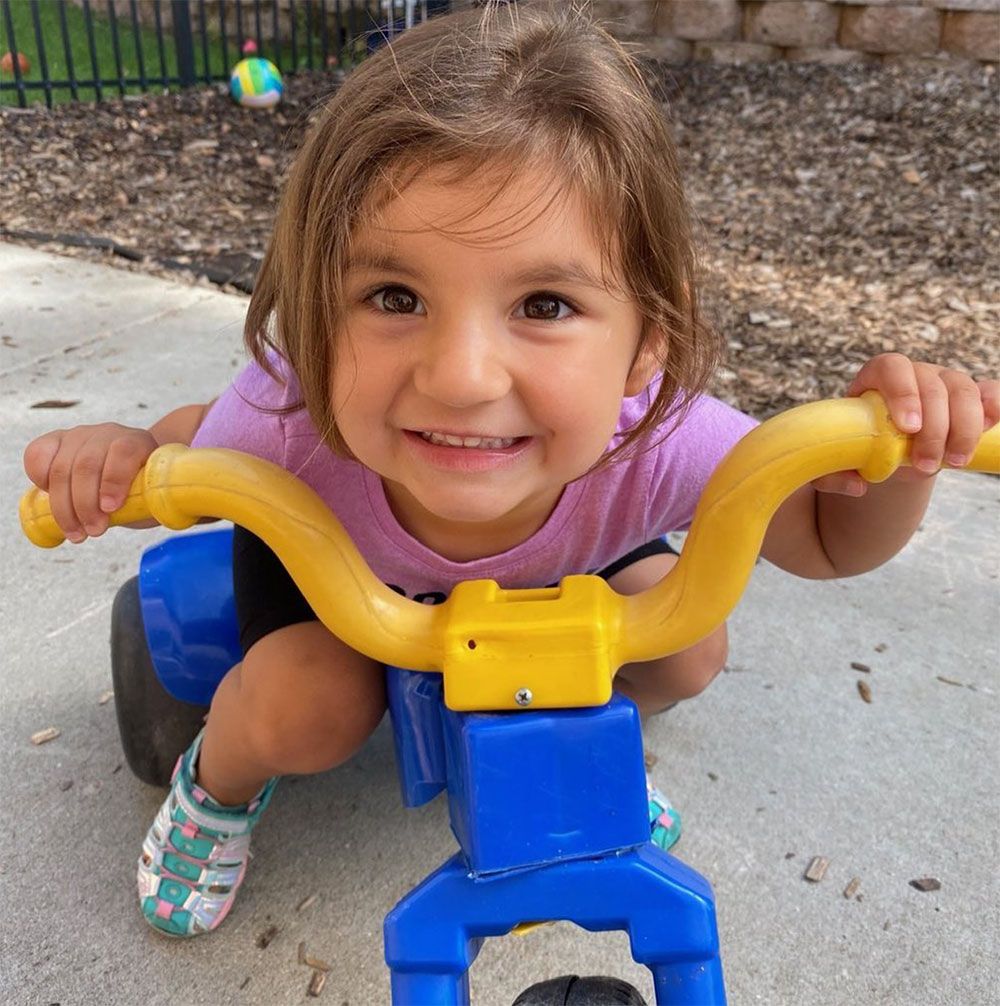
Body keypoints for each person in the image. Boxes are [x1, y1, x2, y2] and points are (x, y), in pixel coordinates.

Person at [22, 3, 998, 941]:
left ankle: (589, 746)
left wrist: (902, 458)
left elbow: (827, 540)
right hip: (341, 589)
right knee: (304, 705)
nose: (459, 378)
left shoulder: (657, 437)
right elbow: (191, 452)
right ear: (318, 309)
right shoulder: (296, 420)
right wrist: (122, 454)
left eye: (543, 304)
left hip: (550, 600)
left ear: (649, 334)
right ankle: (215, 792)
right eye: (393, 295)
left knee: (686, 638)